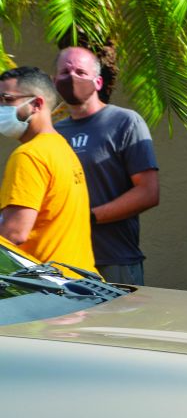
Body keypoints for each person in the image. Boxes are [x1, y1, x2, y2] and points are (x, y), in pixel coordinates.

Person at [54, 45, 159, 285]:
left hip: (115, 260)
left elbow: (148, 192)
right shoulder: (54, 133)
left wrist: (88, 217)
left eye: (81, 72)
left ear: (98, 82)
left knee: (116, 324)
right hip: (63, 263)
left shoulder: (124, 122)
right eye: (65, 72)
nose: (72, 77)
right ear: (54, 81)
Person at [0, 66, 97, 275]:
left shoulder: (28, 155)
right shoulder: (61, 148)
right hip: (80, 285)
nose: (1, 107)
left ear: (36, 104)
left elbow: (14, 234)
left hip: (48, 292)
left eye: (6, 100)